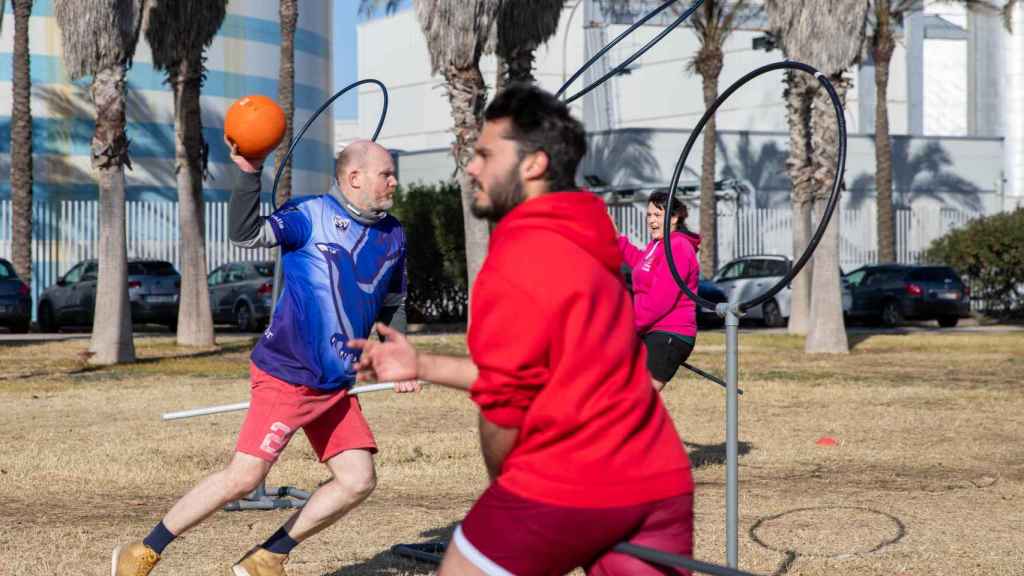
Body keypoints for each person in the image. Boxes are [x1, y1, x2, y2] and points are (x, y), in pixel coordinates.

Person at [349, 84, 694, 576]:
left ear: (532, 165)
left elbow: (504, 409)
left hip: (570, 483)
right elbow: (534, 371)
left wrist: (507, 491)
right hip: (658, 477)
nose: (472, 167)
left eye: (486, 154)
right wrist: (422, 364)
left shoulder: (518, 258)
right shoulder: (589, 232)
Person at [111, 138, 419, 576]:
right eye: (386, 173)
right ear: (354, 178)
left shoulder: (394, 234)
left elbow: (394, 304)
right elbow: (246, 234)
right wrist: (250, 173)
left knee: (358, 480)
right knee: (244, 478)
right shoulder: (309, 216)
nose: (394, 180)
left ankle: (266, 557)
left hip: (334, 384)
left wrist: (398, 353)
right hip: (286, 375)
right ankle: (142, 550)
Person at [618, 192, 701, 390]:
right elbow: (641, 264)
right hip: (652, 331)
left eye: (657, 214)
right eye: (649, 215)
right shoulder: (658, 245)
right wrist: (616, 239)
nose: (652, 220)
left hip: (669, 334)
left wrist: (628, 325)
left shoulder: (678, 247)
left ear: (674, 218)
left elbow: (659, 301)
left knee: (637, 401)